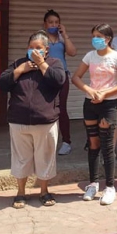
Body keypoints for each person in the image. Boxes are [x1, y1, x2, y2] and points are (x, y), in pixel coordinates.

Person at [0, 31, 66, 208]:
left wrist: (42, 64)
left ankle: (44, 191)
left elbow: (59, 80)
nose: (34, 51)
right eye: (31, 47)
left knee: (45, 157)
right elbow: (2, 83)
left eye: (38, 48)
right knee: (21, 158)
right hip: (18, 120)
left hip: (45, 120)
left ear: (46, 50)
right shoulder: (19, 63)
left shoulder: (54, 63)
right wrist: (20, 70)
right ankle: (20, 192)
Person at [71, 24, 117, 206]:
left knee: (107, 145)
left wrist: (105, 93)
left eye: (99, 36)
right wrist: (89, 90)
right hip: (90, 103)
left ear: (108, 38)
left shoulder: (116, 57)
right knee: (93, 144)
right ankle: (93, 184)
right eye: (93, 36)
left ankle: (110, 187)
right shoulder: (90, 56)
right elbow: (76, 77)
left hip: (108, 104)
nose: (95, 39)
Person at [43, 10, 77, 156]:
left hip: (62, 76)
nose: (54, 25)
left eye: (56, 22)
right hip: (45, 76)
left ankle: (66, 142)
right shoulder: (41, 38)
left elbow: (73, 52)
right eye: (51, 22)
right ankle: (46, 141)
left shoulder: (62, 38)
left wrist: (65, 34)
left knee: (61, 108)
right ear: (45, 24)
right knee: (45, 108)